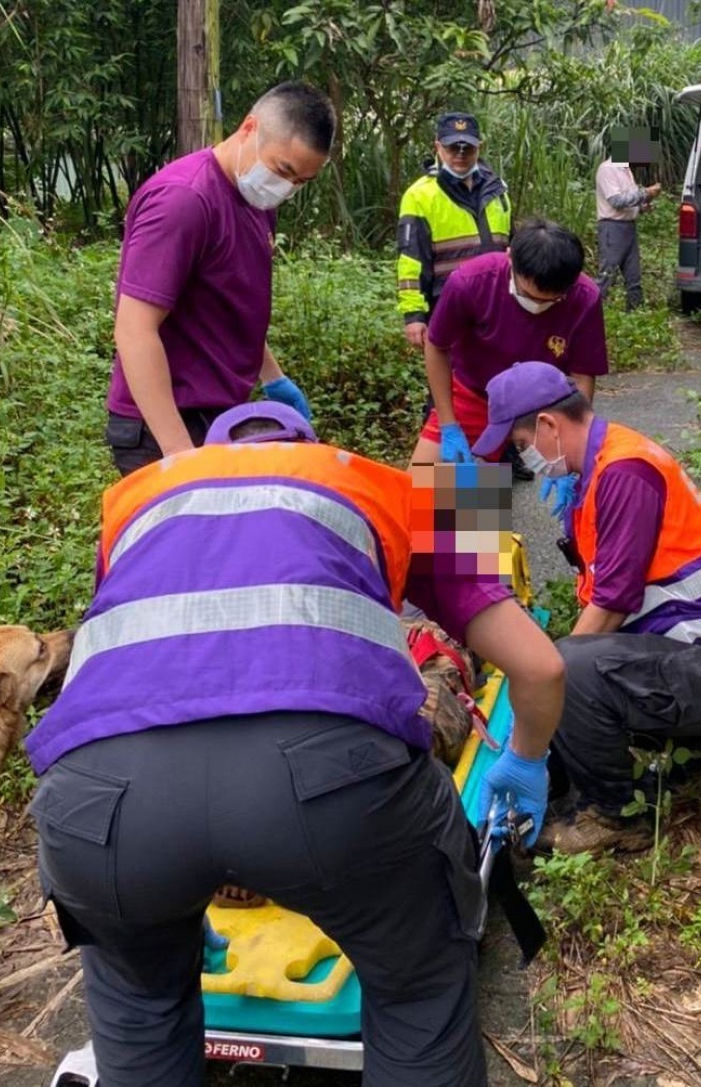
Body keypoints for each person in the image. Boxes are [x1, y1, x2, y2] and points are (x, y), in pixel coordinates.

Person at [28, 402, 564, 1087]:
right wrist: (526, 757)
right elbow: (541, 666)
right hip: (324, 781)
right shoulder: (379, 486)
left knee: (141, 1005)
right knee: (418, 990)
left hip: (97, 804)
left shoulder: (140, 498)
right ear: (312, 443)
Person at [472, 362, 701, 854]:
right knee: (573, 668)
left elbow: (612, 604)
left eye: (518, 444)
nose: (524, 458)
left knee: (568, 668)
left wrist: (541, 694)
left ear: (549, 426)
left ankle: (615, 815)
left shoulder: (624, 472)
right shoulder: (602, 466)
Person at [104, 82, 336, 477]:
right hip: (165, 423)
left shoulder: (256, 201)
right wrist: (178, 452)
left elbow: (230, 305)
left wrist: (274, 377)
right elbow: (134, 329)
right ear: (249, 129)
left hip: (223, 414)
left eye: (302, 182)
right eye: (284, 171)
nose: (288, 188)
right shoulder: (184, 201)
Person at [408, 219, 609, 467]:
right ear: (510, 258)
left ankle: (493, 487)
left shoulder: (585, 298)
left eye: (551, 301)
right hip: (475, 394)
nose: (537, 307)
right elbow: (437, 346)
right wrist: (449, 425)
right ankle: (474, 493)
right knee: (422, 488)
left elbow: (582, 376)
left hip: (542, 405)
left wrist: (571, 447)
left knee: (489, 498)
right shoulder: (470, 282)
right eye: (529, 296)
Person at [397, 112, 512, 350]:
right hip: (448, 304)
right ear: (437, 147)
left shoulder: (497, 189)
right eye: (453, 147)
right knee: (450, 380)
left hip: (498, 304)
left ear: (479, 147)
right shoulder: (420, 195)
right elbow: (411, 260)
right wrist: (414, 315)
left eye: (467, 148)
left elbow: (511, 245)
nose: (460, 154)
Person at [595, 140, 661, 312]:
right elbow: (616, 201)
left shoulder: (626, 170)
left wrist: (644, 204)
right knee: (607, 275)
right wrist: (645, 192)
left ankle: (636, 314)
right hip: (612, 227)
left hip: (628, 227)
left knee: (633, 277)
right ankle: (592, 311)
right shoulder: (608, 169)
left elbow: (629, 200)